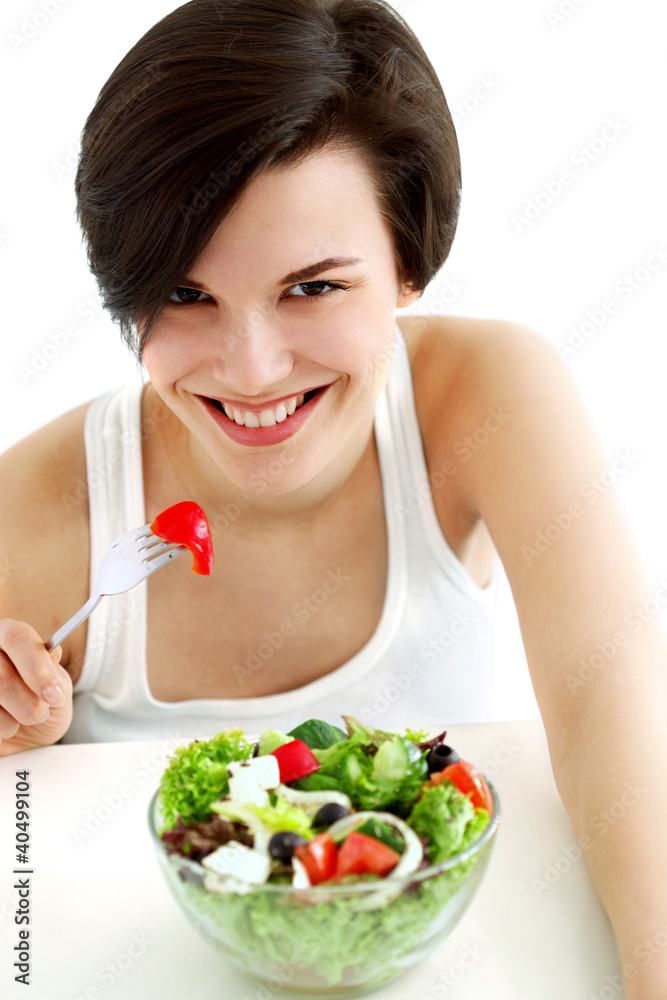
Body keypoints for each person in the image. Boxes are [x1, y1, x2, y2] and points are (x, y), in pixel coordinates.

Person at [0, 0, 665, 994]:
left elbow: (608, 692)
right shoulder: (40, 507)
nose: (253, 368)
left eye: (314, 288)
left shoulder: (486, 398)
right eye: (185, 296)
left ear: (409, 261)